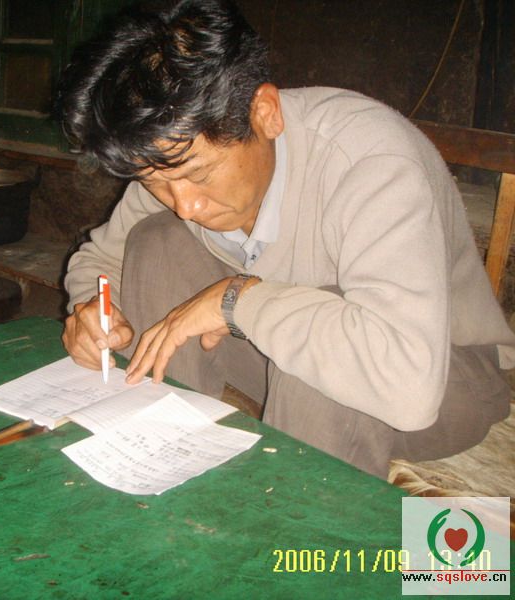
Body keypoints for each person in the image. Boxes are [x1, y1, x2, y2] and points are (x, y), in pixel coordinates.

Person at [55, 0, 515, 478]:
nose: (184, 205)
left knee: (321, 335)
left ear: (265, 114)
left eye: (199, 175)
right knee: (157, 242)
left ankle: (295, 518)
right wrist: (94, 312)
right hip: (277, 362)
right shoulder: (171, 157)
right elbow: (101, 261)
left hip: (437, 381)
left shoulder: (373, 163)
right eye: (154, 182)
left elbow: (409, 387)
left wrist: (238, 301)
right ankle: (167, 454)